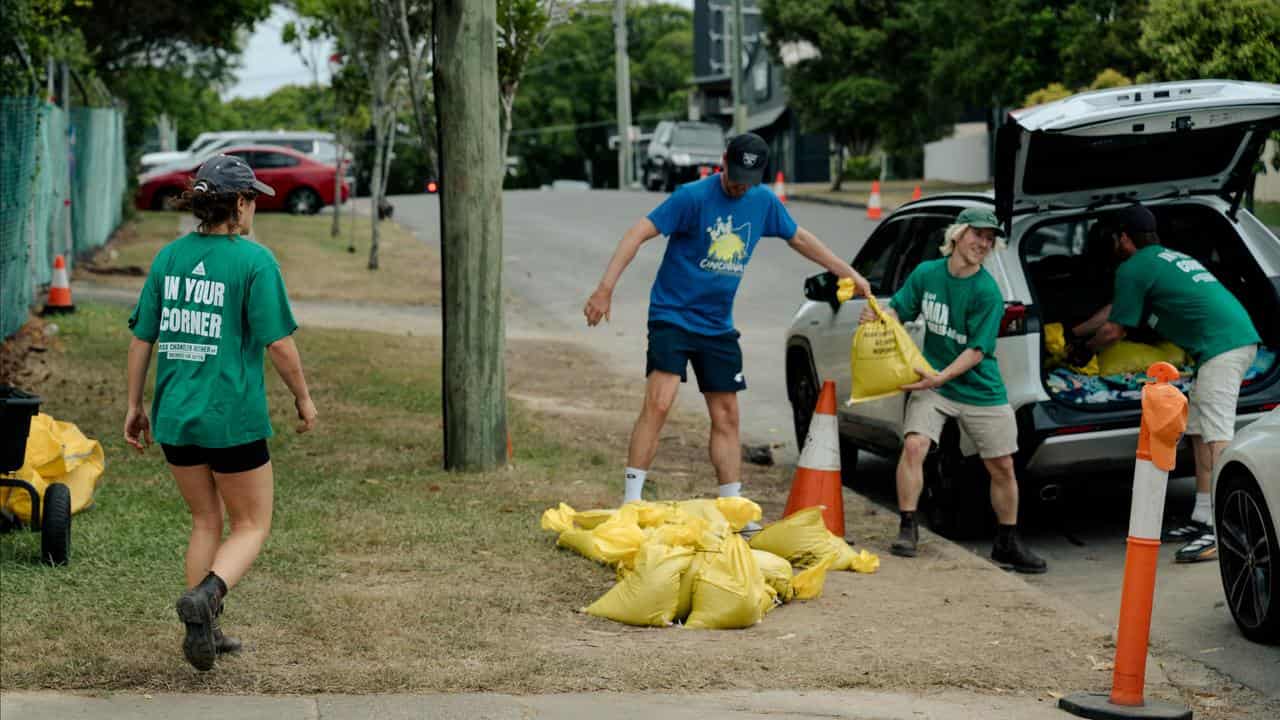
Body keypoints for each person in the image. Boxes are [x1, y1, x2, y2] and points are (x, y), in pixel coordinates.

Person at [583, 132, 871, 516]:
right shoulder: (692, 197)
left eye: (747, 180)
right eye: (734, 175)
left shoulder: (763, 200)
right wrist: (605, 289)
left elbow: (799, 238)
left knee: (727, 413)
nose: (738, 186)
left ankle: (731, 502)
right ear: (723, 161)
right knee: (660, 401)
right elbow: (638, 232)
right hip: (673, 314)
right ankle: (632, 501)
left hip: (717, 325)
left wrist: (849, 273)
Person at [124, 155, 318, 671]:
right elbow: (278, 343)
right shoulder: (254, 261)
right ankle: (205, 597)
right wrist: (303, 397)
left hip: (177, 418)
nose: (254, 208)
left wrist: (134, 405)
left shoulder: (169, 258)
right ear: (236, 204)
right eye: (251, 198)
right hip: (231, 417)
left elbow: (143, 336)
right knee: (251, 523)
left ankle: (204, 632)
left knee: (205, 519)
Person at [1072, 203, 1260, 563]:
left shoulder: (1132, 267)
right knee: (1198, 431)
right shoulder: (1163, 258)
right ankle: (1203, 515)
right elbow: (1114, 310)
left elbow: (1114, 329)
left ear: (1123, 239)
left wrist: (1083, 349)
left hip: (1224, 347)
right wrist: (1076, 331)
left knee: (1217, 437)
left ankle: (1226, 527)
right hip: (1229, 342)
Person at [864, 208, 1047, 573]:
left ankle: (1007, 542)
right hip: (936, 383)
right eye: (977, 235)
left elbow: (977, 351)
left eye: (989, 238)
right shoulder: (927, 273)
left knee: (1002, 467)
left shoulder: (986, 292)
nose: (983, 243)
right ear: (958, 235)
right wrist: (879, 319)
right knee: (914, 445)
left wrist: (939, 377)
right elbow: (899, 309)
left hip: (979, 388)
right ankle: (908, 527)